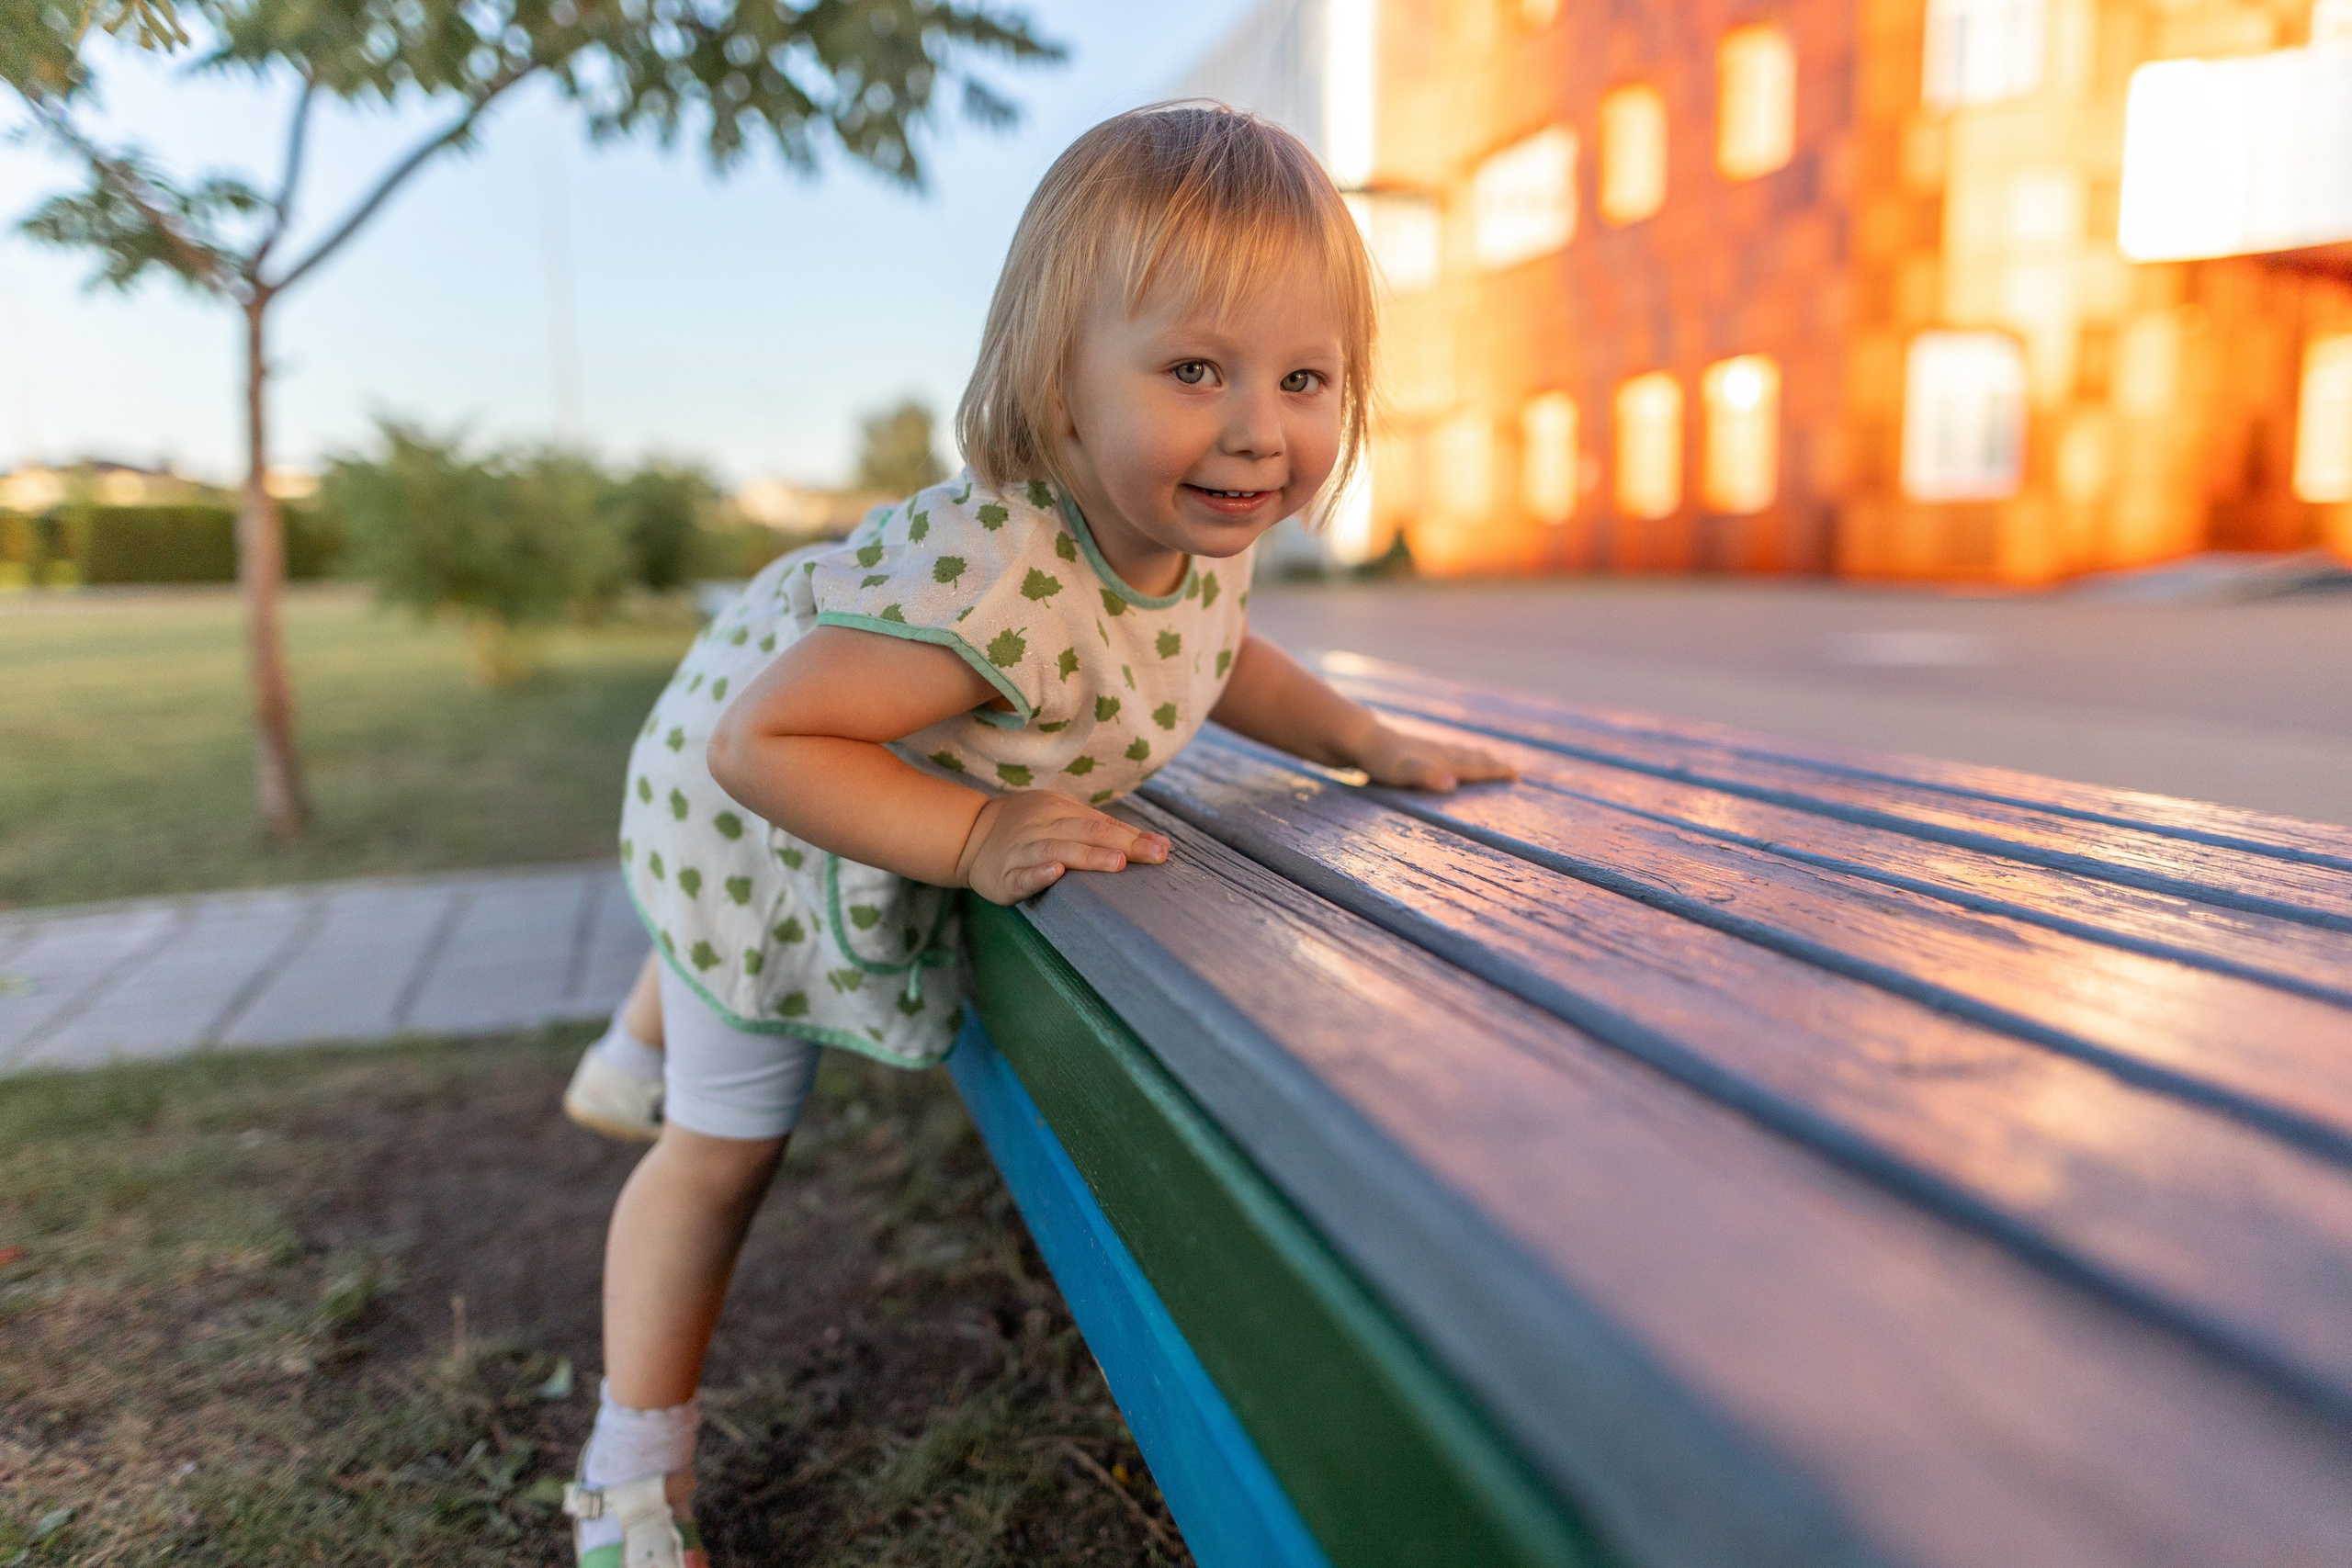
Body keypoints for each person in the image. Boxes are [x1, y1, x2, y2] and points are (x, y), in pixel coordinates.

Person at [557, 102, 1515, 1566]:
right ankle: (627, 1473)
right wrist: (973, 837)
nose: (1259, 428)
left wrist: (1366, 743)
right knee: (724, 1145)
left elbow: (1216, 653)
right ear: (1058, 385)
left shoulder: (1187, 527)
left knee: (696, 1007)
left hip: (813, 724)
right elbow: (765, 746)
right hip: (754, 813)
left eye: (1305, 377)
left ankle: (630, 1045)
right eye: (1196, 369)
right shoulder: (1002, 579)